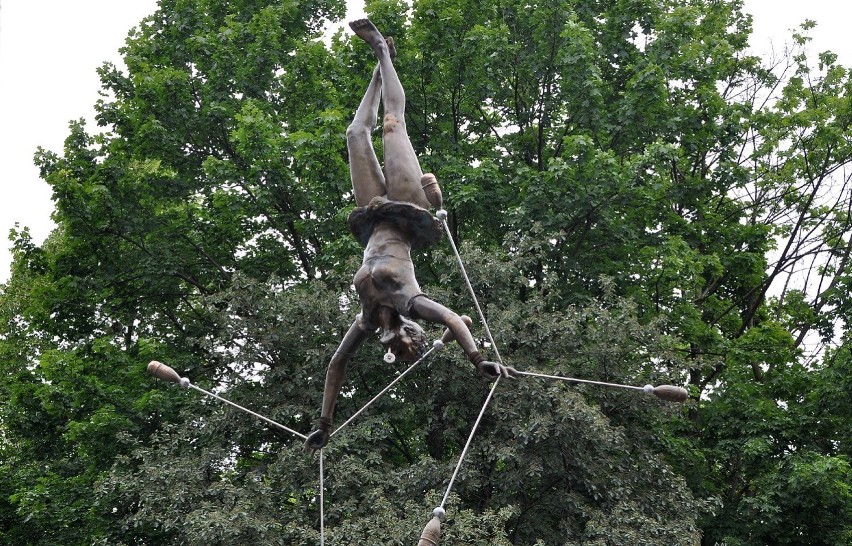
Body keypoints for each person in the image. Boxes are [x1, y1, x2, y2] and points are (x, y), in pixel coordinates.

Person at [305, 20, 515, 451]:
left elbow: (336, 364)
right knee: (392, 126)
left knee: (354, 134)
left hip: (375, 216)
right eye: (407, 347)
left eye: (397, 352)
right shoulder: (410, 303)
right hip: (408, 211)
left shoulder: (366, 317)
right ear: (413, 335)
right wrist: (478, 360)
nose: (399, 347)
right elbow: (455, 319)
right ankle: (382, 51)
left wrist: (324, 425)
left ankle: (382, 69)